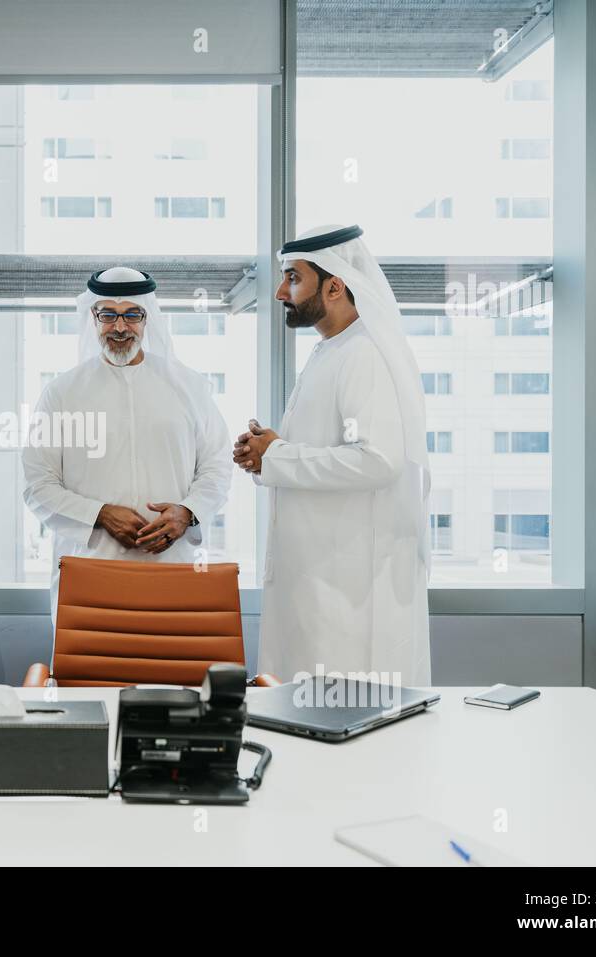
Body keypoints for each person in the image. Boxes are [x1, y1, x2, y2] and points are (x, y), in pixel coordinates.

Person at [233, 225, 431, 685]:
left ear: (335, 285)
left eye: (293, 278)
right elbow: (327, 450)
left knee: (345, 729)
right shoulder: (332, 350)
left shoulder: (365, 354)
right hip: (318, 581)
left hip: (350, 592)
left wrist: (277, 455)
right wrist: (267, 455)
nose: (281, 291)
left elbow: (379, 460)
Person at [23, 266, 231, 618]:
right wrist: (100, 515)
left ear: (147, 318)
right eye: (109, 315)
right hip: (90, 571)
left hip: (172, 568)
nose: (120, 327)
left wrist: (187, 512)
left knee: (170, 670)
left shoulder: (189, 386)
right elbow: (37, 485)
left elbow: (217, 466)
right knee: (90, 671)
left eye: (132, 314)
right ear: (93, 317)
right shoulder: (61, 393)